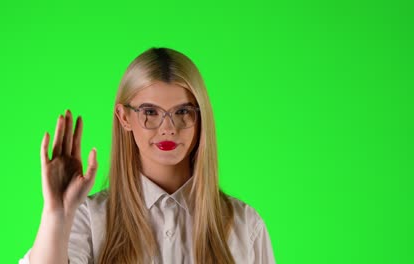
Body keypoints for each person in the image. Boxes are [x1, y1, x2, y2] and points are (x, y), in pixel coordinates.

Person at [19, 47, 276, 264]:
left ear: (201, 117)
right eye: (150, 112)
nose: (168, 128)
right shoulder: (88, 218)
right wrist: (56, 213)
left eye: (182, 112)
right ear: (124, 117)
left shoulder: (246, 225)